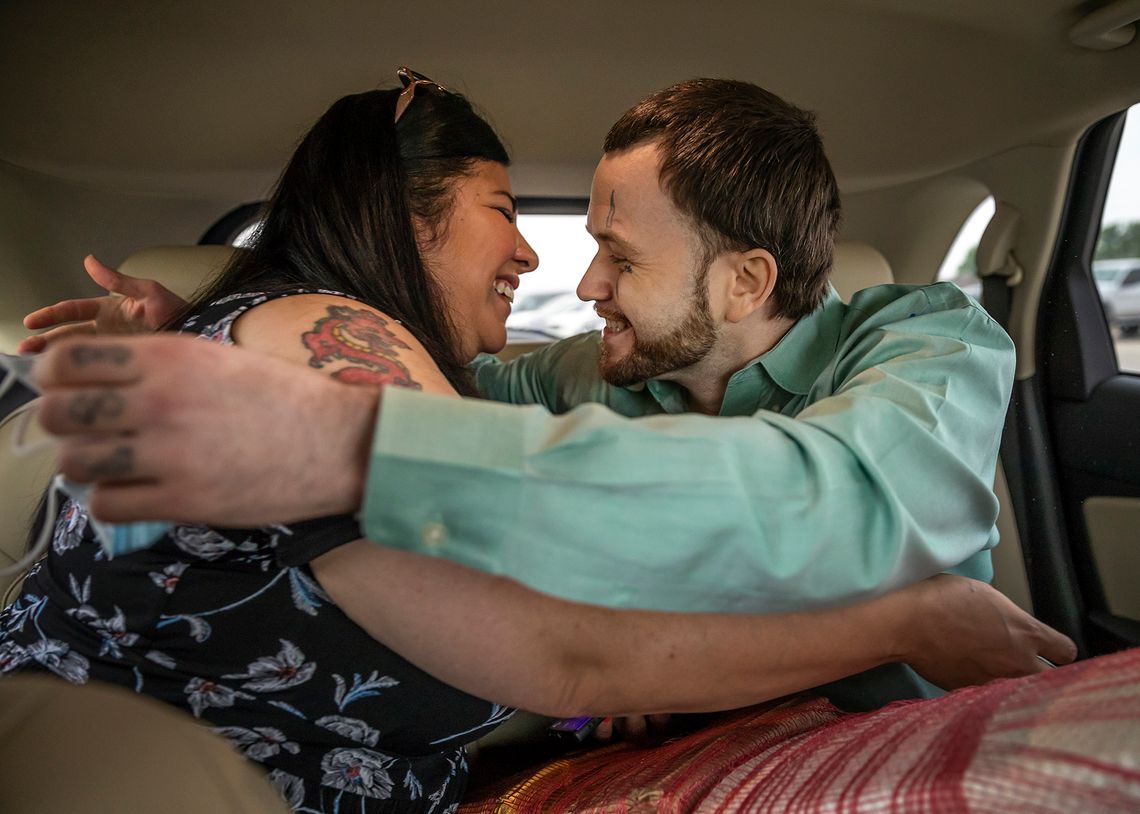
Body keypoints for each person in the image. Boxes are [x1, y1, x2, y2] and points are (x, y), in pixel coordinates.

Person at [1, 73, 1074, 813]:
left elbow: (841, 502)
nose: (577, 279)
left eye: (616, 252)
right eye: (521, 217)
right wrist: (202, 307)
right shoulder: (581, 374)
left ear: (746, 280)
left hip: (870, 730)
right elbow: (470, 450)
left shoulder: (925, 340)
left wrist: (361, 447)